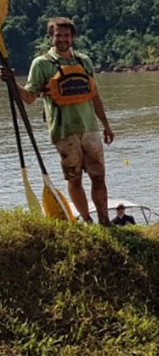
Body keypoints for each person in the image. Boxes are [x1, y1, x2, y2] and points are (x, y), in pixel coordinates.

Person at [1, 16, 114, 225]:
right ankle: (87, 221)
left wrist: (106, 125)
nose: (62, 39)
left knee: (98, 177)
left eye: (66, 35)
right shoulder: (41, 64)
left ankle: (105, 221)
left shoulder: (84, 61)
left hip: (90, 128)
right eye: (58, 35)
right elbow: (29, 98)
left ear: (72, 38)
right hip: (64, 132)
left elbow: (94, 96)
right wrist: (11, 82)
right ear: (51, 37)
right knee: (75, 178)